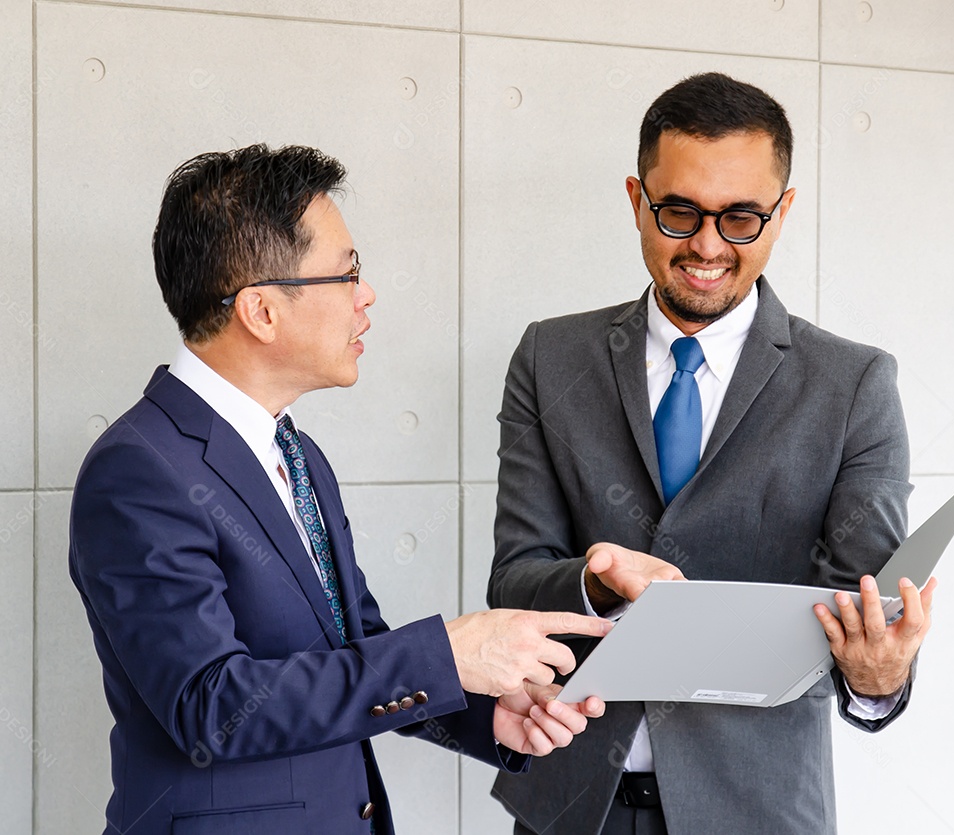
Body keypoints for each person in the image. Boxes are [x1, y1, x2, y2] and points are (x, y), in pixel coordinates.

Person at [68, 144, 612, 835]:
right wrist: (447, 653)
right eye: (347, 273)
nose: (367, 294)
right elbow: (212, 705)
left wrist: (484, 710)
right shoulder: (138, 470)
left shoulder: (298, 456)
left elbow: (355, 648)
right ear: (261, 311)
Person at [488, 72, 936, 835]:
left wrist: (879, 677)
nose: (706, 245)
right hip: (571, 804)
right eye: (679, 212)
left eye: (741, 218)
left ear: (781, 213)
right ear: (637, 200)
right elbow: (514, 580)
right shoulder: (548, 358)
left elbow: (864, 609)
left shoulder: (854, 383)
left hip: (758, 811)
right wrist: (596, 581)